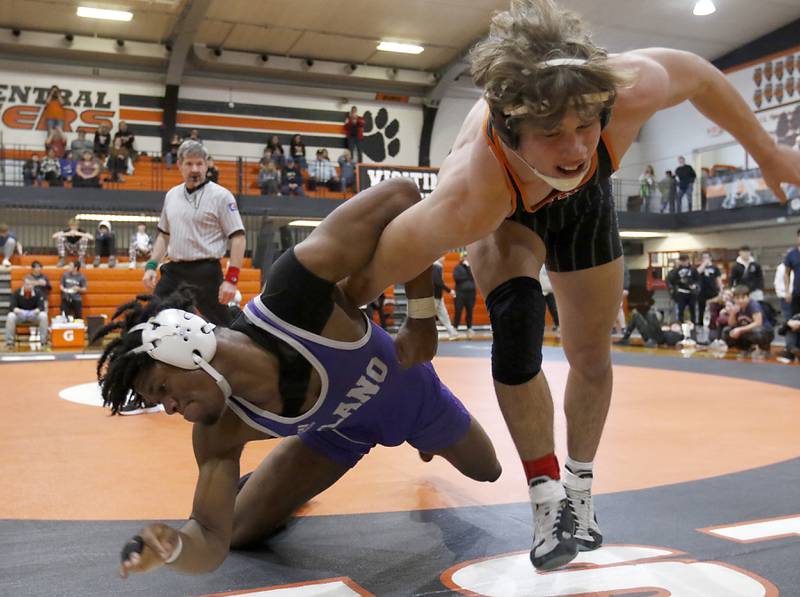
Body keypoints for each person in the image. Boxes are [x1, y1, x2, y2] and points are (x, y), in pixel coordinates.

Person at [341, 0, 800, 571]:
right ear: (510, 129)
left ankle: (579, 494)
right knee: (517, 332)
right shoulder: (469, 190)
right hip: (508, 212)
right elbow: (368, 272)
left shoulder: (626, 90)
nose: (576, 147)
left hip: (585, 207)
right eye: (552, 132)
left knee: (589, 352)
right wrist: (410, 316)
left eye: (585, 125)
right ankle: (546, 498)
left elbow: (699, 73)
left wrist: (769, 151)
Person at [96, 178, 501, 578]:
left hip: (412, 394)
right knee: (237, 530)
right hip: (338, 433)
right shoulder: (215, 432)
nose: (168, 408)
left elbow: (403, 196)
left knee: (488, 470)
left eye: (163, 390)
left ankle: (426, 441)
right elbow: (210, 534)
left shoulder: (293, 293)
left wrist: (421, 317)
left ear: (187, 348)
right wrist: (175, 548)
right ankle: (274, 488)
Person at [142, 140, 245, 328]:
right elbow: (164, 236)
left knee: (226, 329)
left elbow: (238, 238)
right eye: (189, 164)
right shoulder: (172, 195)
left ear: (206, 166)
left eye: (199, 163)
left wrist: (232, 279)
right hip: (174, 272)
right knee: (152, 321)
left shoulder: (222, 196)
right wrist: (151, 265)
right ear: (180, 165)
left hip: (206, 272)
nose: (195, 169)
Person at [721, 285, 774, 354]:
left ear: (748, 297)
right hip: (747, 331)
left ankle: (764, 348)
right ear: (734, 299)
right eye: (737, 298)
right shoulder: (736, 306)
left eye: (743, 298)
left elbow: (758, 323)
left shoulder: (753, 305)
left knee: (757, 331)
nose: (740, 301)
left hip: (765, 331)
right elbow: (731, 324)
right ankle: (744, 348)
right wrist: (732, 314)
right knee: (727, 331)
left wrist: (740, 330)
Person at [5, 275, 49, 349]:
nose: (29, 286)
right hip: (20, 315)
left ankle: (43, 342)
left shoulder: (38, 293)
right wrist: (17, 310)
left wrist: (36, 311)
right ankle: (9, 343)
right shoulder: (17, 292)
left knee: (43, 316)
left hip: (33, 315)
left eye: (31, 284)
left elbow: (41, 307)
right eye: (27, 284)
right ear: (23, 284)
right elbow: (12, 306)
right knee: (10, 316)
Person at [615, 307, 682, 348]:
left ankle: (625, 338)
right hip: (656, 335)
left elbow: (675, 339)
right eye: (674, 326)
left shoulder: (680, 334)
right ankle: (625, 339)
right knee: (639, 315)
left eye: (676, 326)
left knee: (645, 315)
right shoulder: (668, 328)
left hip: (658, 337)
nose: (675, 326)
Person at [667, 254, 699, 324]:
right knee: (680, 310)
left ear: (688, 260)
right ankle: (680, 324)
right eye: (681, 261)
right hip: (681, 292)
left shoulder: (693, 269)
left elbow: (698, 279)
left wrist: (695, 285)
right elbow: (672, 280)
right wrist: (679, 281)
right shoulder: (677, 270)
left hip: (691, 292)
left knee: (692, 309)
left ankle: (693, 324)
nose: (683, 263)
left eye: (684, 261)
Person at [433, 257, 458, 340]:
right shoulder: (437, 266)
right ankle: (429, 336)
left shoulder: (436, 266)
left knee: (444, 315)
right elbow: (438, 282)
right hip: (434, 296)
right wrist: (449, 290)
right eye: (442, 257)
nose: (444, 259)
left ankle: (453, 333)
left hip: (438, 296)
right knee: (431, 317)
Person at [452, 254, 477, 338]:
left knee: (470, 311)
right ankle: (455, 328)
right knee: (458, 311)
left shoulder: (471, 267)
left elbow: (474, 277)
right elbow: (457, 278)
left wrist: (468, 268)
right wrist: (467, 275)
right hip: (460, 293)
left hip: (471, 293)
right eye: (465, 257)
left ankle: (469, 328)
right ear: (462, 258)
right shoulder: (458, 267)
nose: (467, 258)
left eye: (468, 256)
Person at [696, 251, 722, 326]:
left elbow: (718, 279)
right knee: (701, 308)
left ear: (710, 258)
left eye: (707, 257)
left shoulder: (715, 268)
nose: (705, 259)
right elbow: (697, 272)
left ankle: (714, 323)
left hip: (713, 290)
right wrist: (704, 264)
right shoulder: (700, 267)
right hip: (702, 291)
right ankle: (700, 323)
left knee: (714, 308)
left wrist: (721, 290)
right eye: (704, 257)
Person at [783, 229, 800, 316]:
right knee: (796, 319)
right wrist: (787, 291)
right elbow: (786, 274)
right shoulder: (791, 254)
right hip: (797, 292)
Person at [539, 266, 559, 331]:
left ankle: (558, 325)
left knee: (553, 309)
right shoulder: (537, 265)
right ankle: (539, 327)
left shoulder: (547, 265)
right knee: (539, 310)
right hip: (539, 291)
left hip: (549, 290)